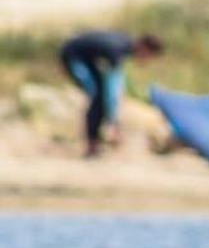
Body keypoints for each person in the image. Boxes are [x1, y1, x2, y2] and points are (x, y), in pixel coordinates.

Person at [58, 30, 163, 158]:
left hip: (86, 57)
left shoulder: (125, 44)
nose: (146, 61)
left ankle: (95, 141)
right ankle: (92, 145)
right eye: (149, 57)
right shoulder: (117, 50)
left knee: (100, 95)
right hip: (72, 56)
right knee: (97, 97)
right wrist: (113, 122)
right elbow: (112, 91)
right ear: (144, 48)